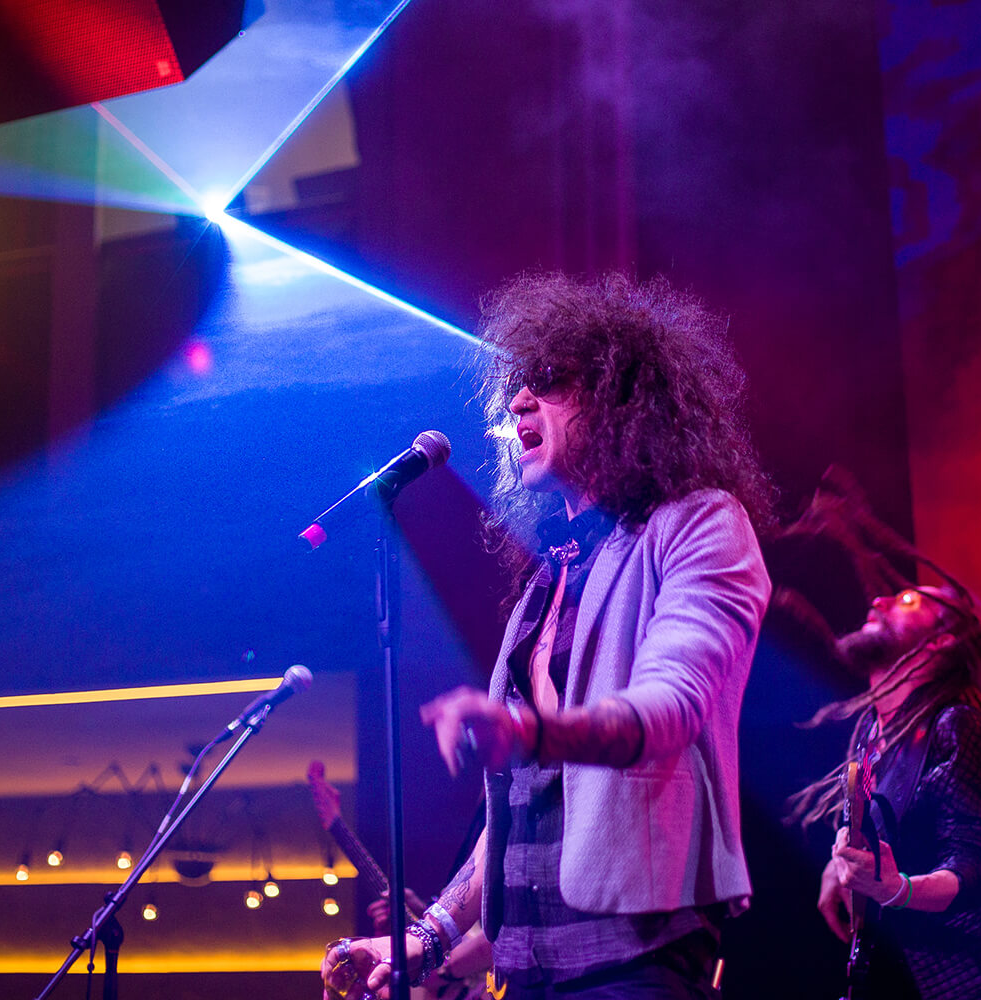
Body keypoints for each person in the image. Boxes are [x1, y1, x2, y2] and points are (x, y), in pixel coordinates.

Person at [321, 271, 773, 999]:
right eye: (515, 387)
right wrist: (426, 938)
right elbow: (518, 806)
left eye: (549, 380)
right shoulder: (545, 584)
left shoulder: (700, 524)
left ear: (622, 398)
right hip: (526, 967)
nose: (518, 401)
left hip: (636, 959)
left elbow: (673, 705)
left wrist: (530, 731)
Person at [787, 510, 981, 999]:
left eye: (906, 600)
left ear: (940, 641)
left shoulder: (954, 726)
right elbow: (884, 827)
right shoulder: (872, 730)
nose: (878, 600)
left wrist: (894, 889)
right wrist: (842, 865)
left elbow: (975, 865)